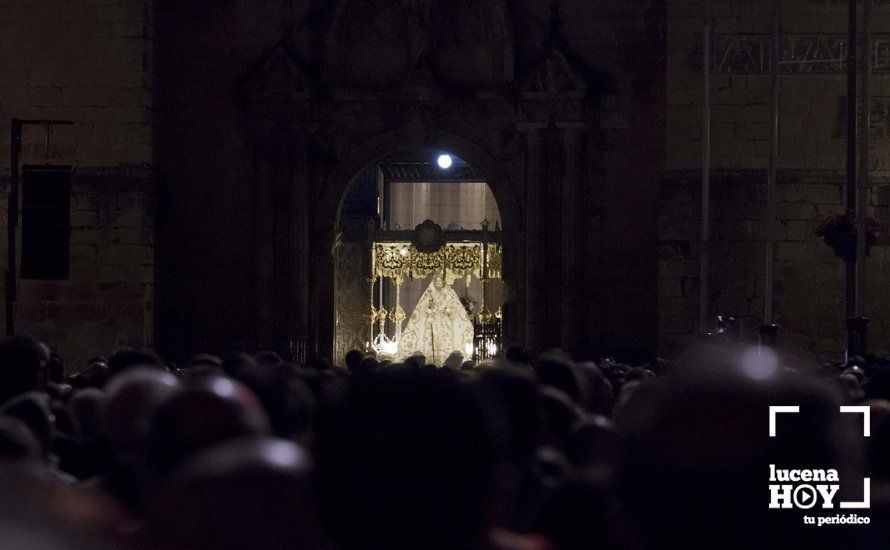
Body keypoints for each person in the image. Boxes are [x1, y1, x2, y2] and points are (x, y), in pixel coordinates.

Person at [398, 277, 473, 366]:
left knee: (446, 342)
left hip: (445, 323)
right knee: (431, 341)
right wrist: (429, 311)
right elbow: (422, 306)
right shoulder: (429, 292)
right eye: (436, 281)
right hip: (433, 322)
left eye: (440, 281)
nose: (438, 283)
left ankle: (447, 362)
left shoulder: (450, 293)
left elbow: (455, 307)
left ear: (443, 282)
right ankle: (431, 362)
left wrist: (448, 310)